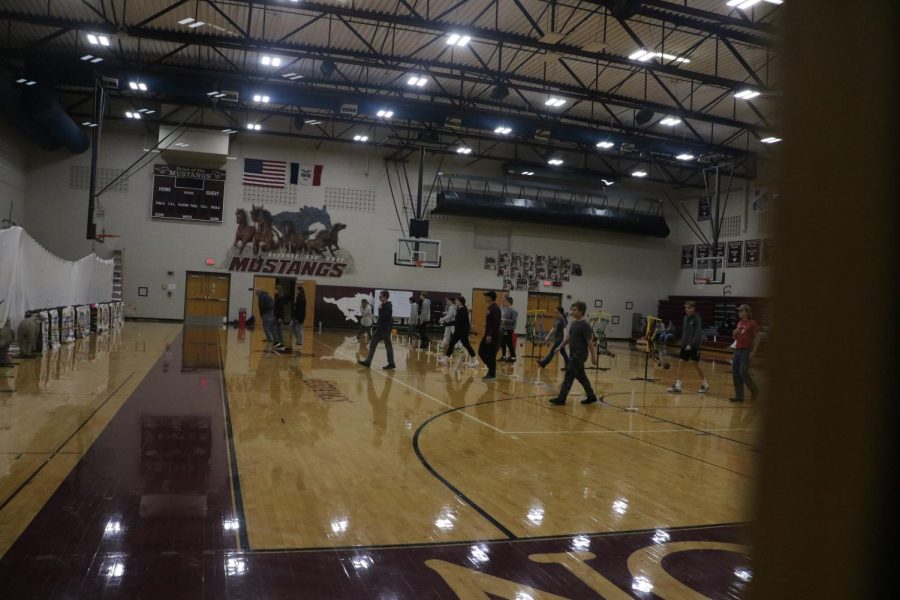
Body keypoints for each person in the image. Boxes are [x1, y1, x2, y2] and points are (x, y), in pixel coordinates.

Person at [548, 301, 599, 406]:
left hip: (580, 354)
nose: (572, 312)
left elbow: (590, 342)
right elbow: (569, 337)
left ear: (581, 311)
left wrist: (594, 357)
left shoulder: (585, 325)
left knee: (569, 374)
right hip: (573, 353)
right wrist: (559, 347)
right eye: (572, 309)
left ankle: (561, 398)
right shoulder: (574, 323)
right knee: (581, 376)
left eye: (574, 310)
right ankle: (591, 396)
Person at [666, 300, 710, 394]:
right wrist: (683, 343)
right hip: (685, 345)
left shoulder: (697, 318)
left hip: (694, 346)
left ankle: (705, 384)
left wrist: (691, 344)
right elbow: (685, 332)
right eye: (686, 308)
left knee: (695, 364)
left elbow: (698, 333)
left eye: (689, 308)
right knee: (681, 363)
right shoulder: (685, 318)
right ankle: (678, 386)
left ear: (693, 308)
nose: (687, 309)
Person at [358, 290, 396, 370]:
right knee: (372, 344)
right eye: (379, 296)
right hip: (379, 330)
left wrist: (380, 309)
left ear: (385, 297)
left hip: (385, 330)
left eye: (381, 296)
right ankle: (368, 362)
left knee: (388, 347)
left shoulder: (388, 306)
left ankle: (391, 363)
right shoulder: (382, 305)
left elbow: (384, 317)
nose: (379, 297)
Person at [730, 304, 760, 402]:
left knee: (743, 372)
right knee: (735, 373)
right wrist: (734, 334)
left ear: (747, 312)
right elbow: (735, 338)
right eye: (738, 311)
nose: (739, 312)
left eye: (741, 310)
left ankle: (755, 390)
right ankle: (739, 396)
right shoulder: (739, 323)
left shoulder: (752, 323)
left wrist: (754, 351)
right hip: (737, 350)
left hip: (746, 351)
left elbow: (757, 338)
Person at [438, 296, 478, 366]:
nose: (455, 302)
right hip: (459, 330)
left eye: (456, 301)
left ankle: (474, 360)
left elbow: (458, 321)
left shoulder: (463, 310)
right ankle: (474, 360)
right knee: (459, 344)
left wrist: (447, 323)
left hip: (462, 331)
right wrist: (448, 324)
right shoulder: (460, 309)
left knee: (456, 344)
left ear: (460, 302)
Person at [478, 291, 501, 381]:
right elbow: (491, 321)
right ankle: (491, 367)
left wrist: (490, 335)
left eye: (486, 296)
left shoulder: (495, 309)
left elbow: (496, 323)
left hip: (493, 336)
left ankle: (492, 374)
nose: (485, 298)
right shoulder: (490, 308)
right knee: (481, 351)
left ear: (490, 298)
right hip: (487, 334)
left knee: (491, 355)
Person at [256, 288, 284, 352]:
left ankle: (270, 338)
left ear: (259, 292)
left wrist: (261, 314)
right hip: (272, 312)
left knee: (266, 326)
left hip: (267, 312)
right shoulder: (268, 296)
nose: (255, 293)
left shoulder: (261, 296)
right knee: (271, 326)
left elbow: (261, 306)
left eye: (256, 292)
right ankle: (275, 339)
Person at [499, 297, 518, 362]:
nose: (504, 303)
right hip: (503, 328)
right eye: (504, 302)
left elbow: (513, 321)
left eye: (506, 302)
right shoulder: (503, 309)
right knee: (502, 342)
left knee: (509, 343)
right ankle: (503, 356)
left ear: (510, 303)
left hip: (509, 329)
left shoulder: (513, 311)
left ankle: (513, 356)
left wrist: (504, 320)